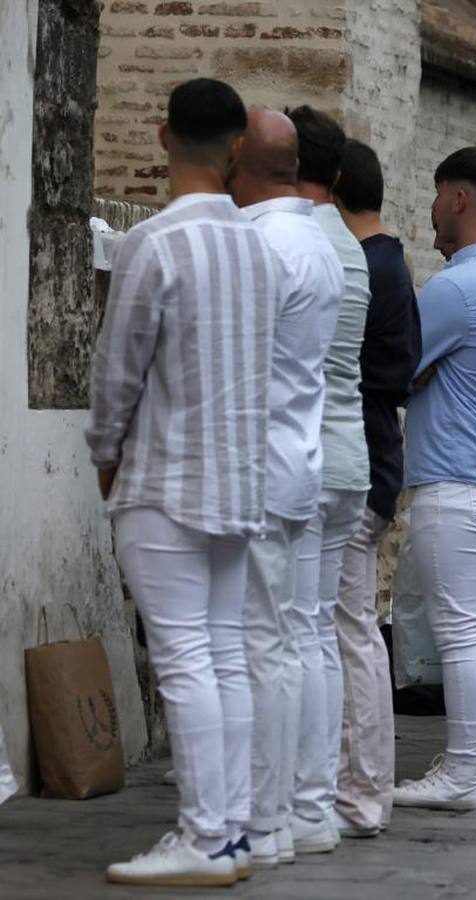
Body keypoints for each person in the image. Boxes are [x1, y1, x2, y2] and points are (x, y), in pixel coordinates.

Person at [87, 79, 281, 886]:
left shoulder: (156, 244)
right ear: (238, 148)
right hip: (238, 476)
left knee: (185, 660)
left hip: (166, 477)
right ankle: (230, 827)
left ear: (163, 137)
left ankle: (207, 833)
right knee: (224, 654)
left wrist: (105, 453)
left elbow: (117, 368)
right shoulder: (258, 247)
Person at [227, 108, 344, 867]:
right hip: (299, 458)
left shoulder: (263, 244)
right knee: (294, 641)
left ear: (243, 161)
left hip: (263, 465)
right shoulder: (318, 240)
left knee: (263, 648)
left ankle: (268, 820)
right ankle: (305, 808)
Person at [393, 146, 476, 811]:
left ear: (459, 199)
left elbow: (401, 370)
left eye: (437, 193)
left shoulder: (454, 286)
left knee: (462, 635)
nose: (432, 208)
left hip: (458, 478)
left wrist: (417, 372)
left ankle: (465, 775)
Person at [285, 105, 371, 852]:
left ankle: (297, 801)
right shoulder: (347, 243)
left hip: (305, 455)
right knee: (316, 636)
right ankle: (313, 803)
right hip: (347, 455)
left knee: (290, 636)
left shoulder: (297, 240)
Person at [332, 139, 422, 835]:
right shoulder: (384, 260)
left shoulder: (370, 264)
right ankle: (360, 786)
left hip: (361, 460)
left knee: (348, 628)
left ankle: (360, 789)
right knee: (352, 626)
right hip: (373, 459)